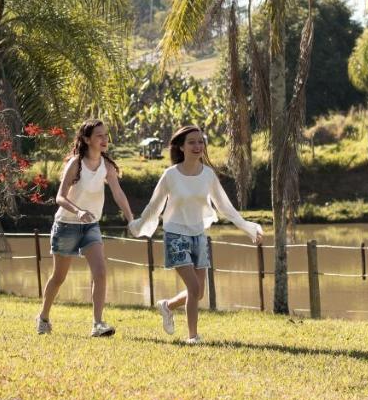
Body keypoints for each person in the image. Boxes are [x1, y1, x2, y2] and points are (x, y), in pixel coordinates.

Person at [132, 124, 263, 344]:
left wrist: (248, 227)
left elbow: (225, 206)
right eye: (191, 142)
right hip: (175, 235)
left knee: (199, 292)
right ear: (181, 147)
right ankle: (193, 337)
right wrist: (138, 225)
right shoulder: (170, 175)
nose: (197, 146)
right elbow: (154, 206)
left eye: (200, 141)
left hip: (199, 235)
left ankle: (167, 306)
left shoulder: (208, 175)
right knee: (193, 288)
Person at [37, 119, 137, 337]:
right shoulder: (76, 163)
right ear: (86, 139)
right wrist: (78, 211)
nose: (104, 139)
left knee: (100, 273)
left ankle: (98, 324)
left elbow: (118, 194)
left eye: (105, 135)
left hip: (91, 226)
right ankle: (43, 317)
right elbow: (60, 197)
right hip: (67, 225)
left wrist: (131, 218)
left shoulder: (107, 166)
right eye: (99, 135)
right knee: (59, 278)